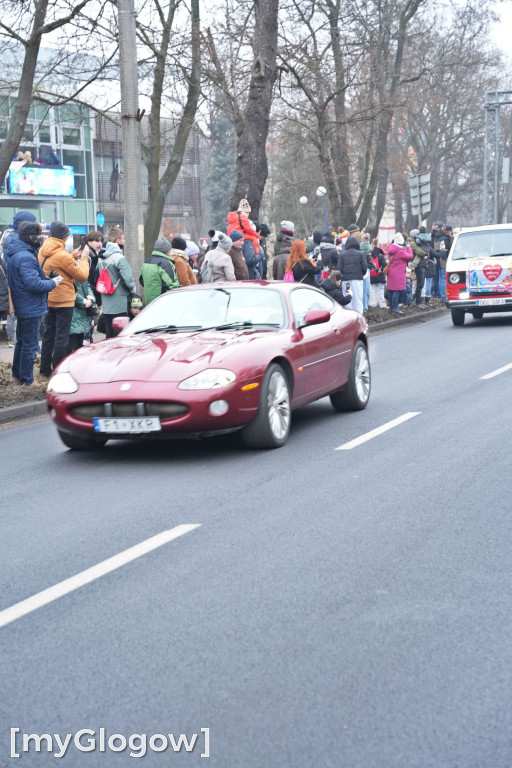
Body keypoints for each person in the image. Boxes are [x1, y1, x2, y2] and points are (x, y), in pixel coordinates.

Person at [5, 221, 62, 385]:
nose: (41, 238)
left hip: (24, 305)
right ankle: (27, 380)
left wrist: (48, 279)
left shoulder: (17, 253)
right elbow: (34, 284)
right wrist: (54, 282)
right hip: (30, 307)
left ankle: (17, 375)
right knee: (29, 345)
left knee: (21, 343)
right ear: (30, 237)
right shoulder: (26, 257)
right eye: (38, 235)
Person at [38, 221, 90, 375]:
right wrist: (84, 259)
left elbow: (58, 263)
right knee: (62, 337)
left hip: (48, 297)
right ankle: (59, 370)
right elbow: (82, 276)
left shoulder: (43, 250)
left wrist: (72, 256)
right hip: (64, 300)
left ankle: (45, 369)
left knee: (48, 335)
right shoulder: (62, 256)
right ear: (65, 237)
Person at [96, 227, 136, 337]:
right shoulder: (119, 258)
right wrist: (133, 290)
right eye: (123, 239)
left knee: (109, 335)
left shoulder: (101, 257)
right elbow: (128, 279)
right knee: (120, 336)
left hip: (107, 304)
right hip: (120, 303)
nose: (124, 242)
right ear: (118, 241)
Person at [139, 237, 179, 304]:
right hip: (162, 302)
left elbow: (141, 280)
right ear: (166, 251)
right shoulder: (166, 264)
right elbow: (172, 286)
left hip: (149, 302)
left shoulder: (146, 262)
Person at [226, 199, 261, 278]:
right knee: (254, 239)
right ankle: (257, 258)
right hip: (241, 236)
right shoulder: (243, 218)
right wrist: (256, 236)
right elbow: (248, 229)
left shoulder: (233, 218)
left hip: (233, 237)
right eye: (248, 213)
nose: (248, 214)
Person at [337, 235, 367, 313]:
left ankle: (349, 320)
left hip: (346, 281)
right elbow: (364, 268)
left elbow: (338, 269)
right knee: (358, 301)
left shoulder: (342, 255)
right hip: (357, 280)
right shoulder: (360, 254)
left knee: (348, 302)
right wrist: (361, 274)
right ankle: (359, 320)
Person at [386, 233, 413, 315]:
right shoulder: (400, 251)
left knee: (391, 290)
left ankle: (391, 307)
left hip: (391, 272)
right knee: (397, 291)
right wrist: (408, 247)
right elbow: (410, 256)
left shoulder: (390, 248)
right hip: (398, 273)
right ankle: (395, 308)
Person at [68, 278, 95, 354]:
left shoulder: (82, 272)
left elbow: (87, 285)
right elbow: (69, 290)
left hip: (83, 311)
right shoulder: (72, 271)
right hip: (73, 309)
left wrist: (90, 298)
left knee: (80, 342)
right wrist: (83, 301)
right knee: (71, 343)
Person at [407, 229, 428, 308]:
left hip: (419, 264)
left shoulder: (417, 241)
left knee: (420, 283)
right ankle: (417, 301)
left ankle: (417, 299)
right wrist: (425, 254)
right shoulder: (412, 243)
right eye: (418, 234)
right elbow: (419, 251)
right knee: (419, 283)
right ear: (415, 235)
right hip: (417, 265)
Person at [369, 239, 387, 308]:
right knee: (381, 290)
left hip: (372, 275)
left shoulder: (370, 255)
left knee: (373, 290)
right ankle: (382, 304)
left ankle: (373, 304)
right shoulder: (380, 255)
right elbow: (385, 265)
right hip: (380, 275)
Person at [360, 233, 373, 312]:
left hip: (359, 269)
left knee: (360, 289)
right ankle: (365, 307)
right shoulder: (369, 248)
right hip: (367, 269)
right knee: (366, 289)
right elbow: (370, 260)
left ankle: (361, 307)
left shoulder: (359, 247)